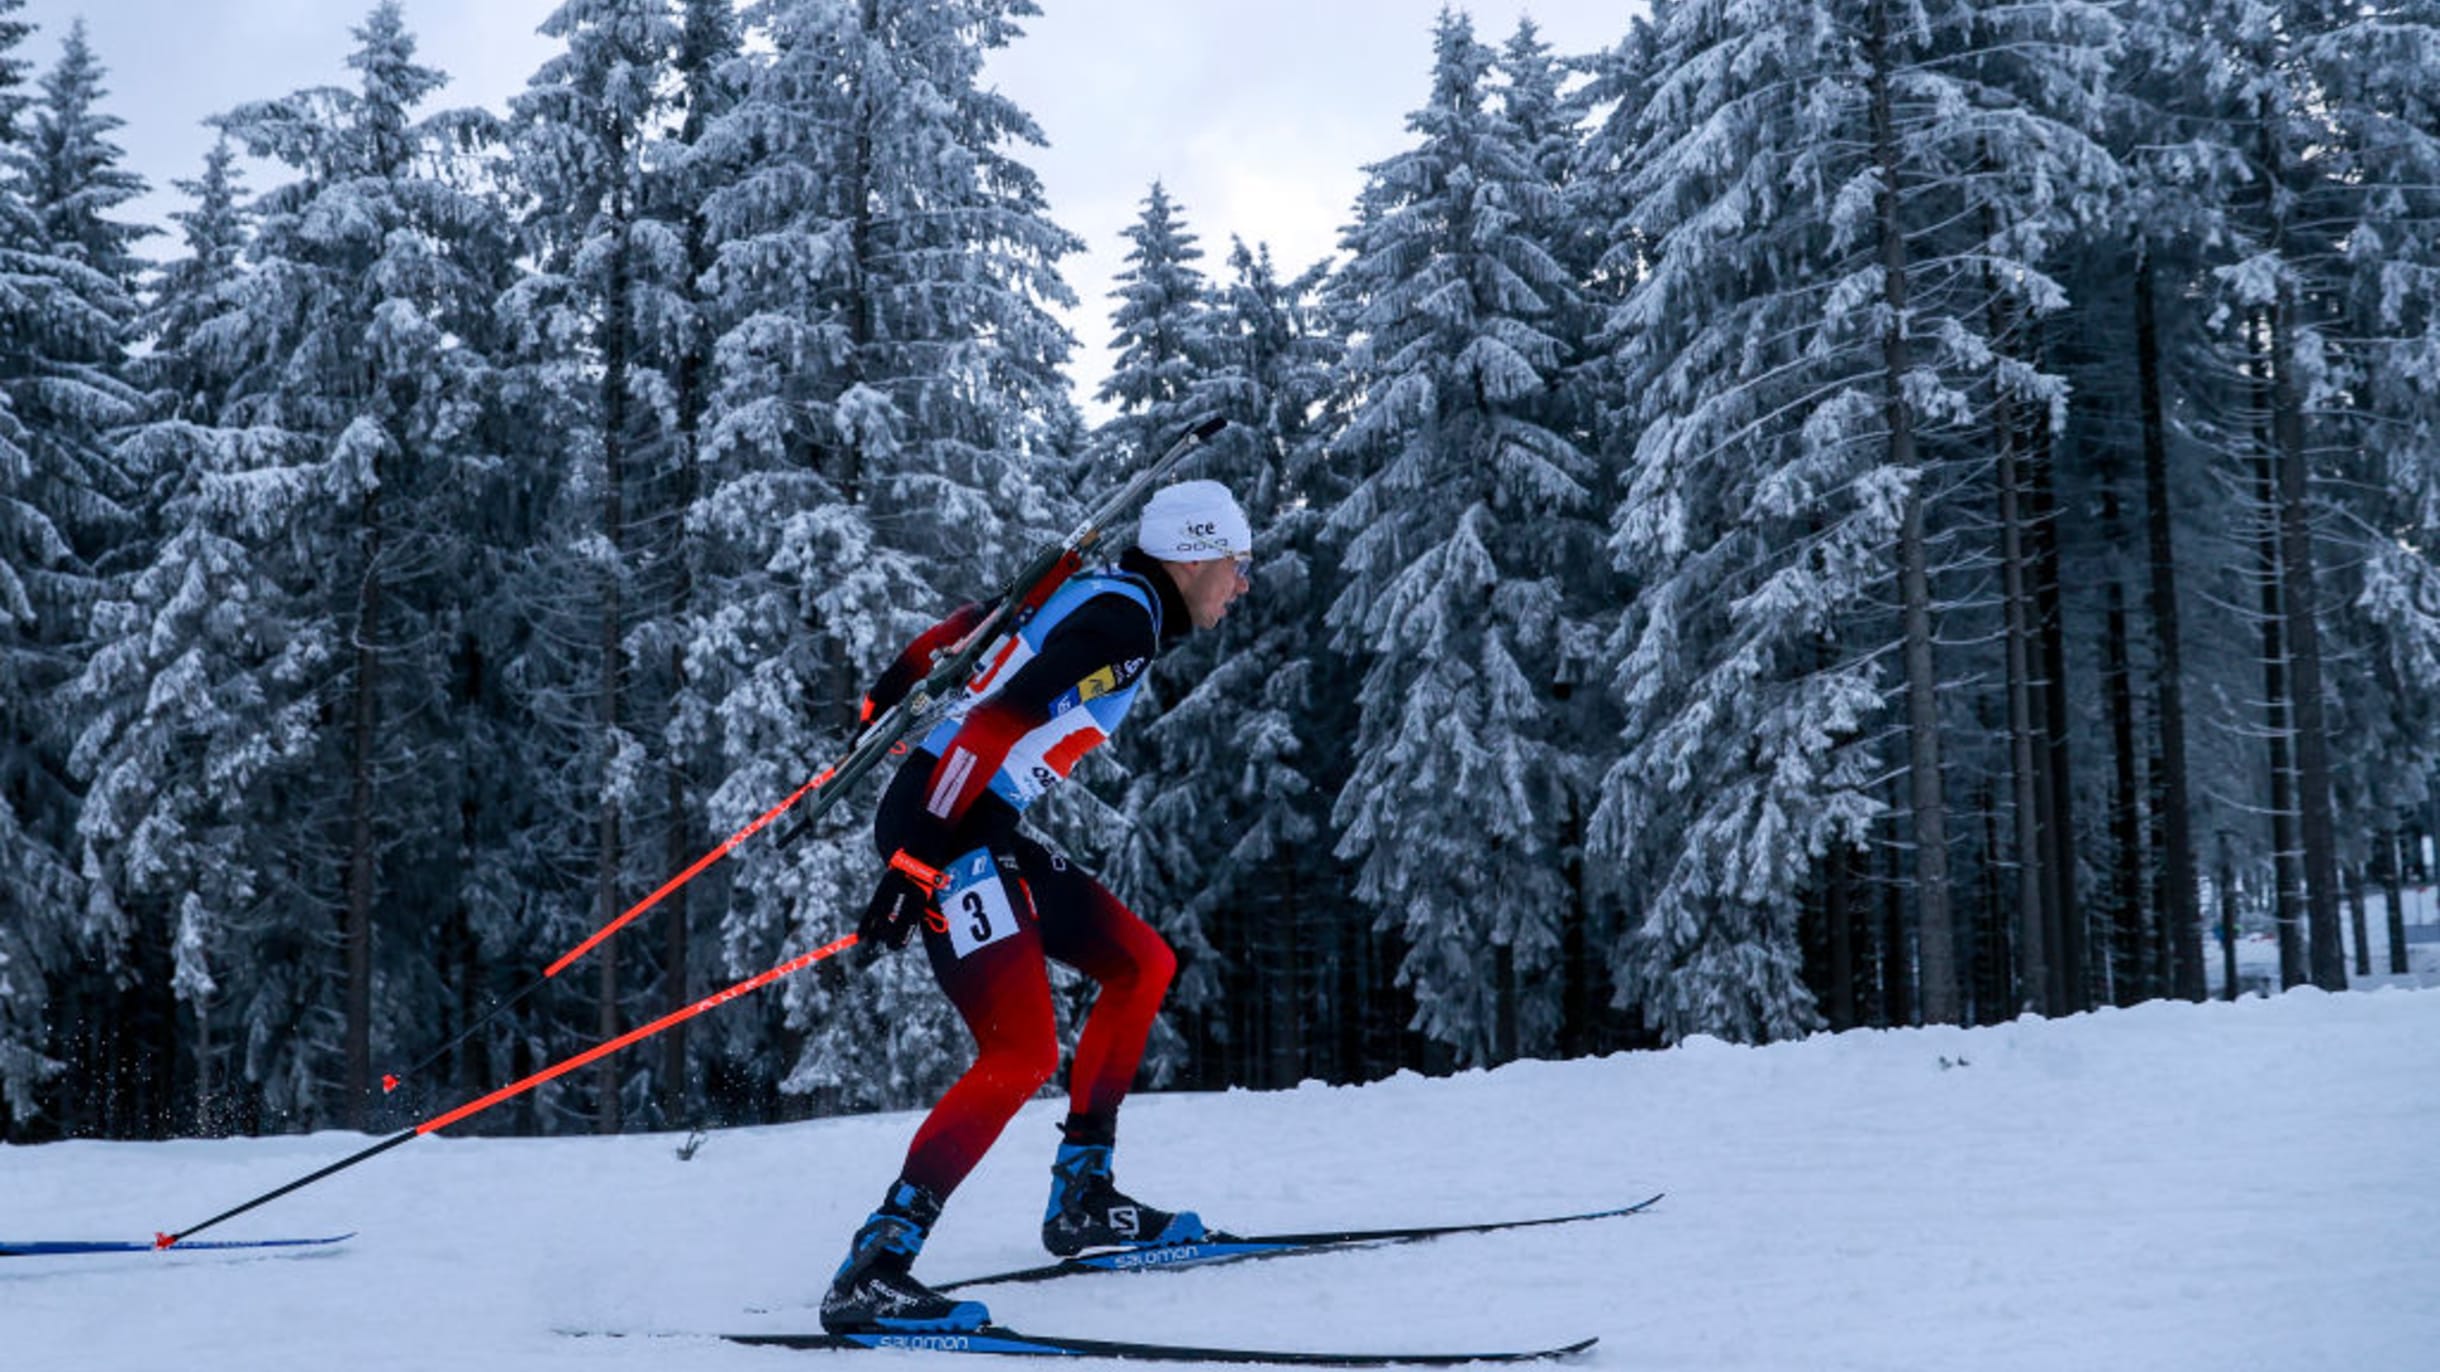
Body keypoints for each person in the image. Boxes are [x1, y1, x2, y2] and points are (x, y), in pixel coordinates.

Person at [819, 479, 1256, 1334]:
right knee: (1021, 1049)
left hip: (971, 814)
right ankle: (876, 1267)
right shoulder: (1124, 624)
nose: (1243, 585)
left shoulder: (1091, 590)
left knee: (1141, 964)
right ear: (1195, 555)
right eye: (1238, 565)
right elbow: (993, 728)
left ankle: (1084, 1196)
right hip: (950, 819)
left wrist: (881, 701)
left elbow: (961, 634)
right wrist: (914, 863)